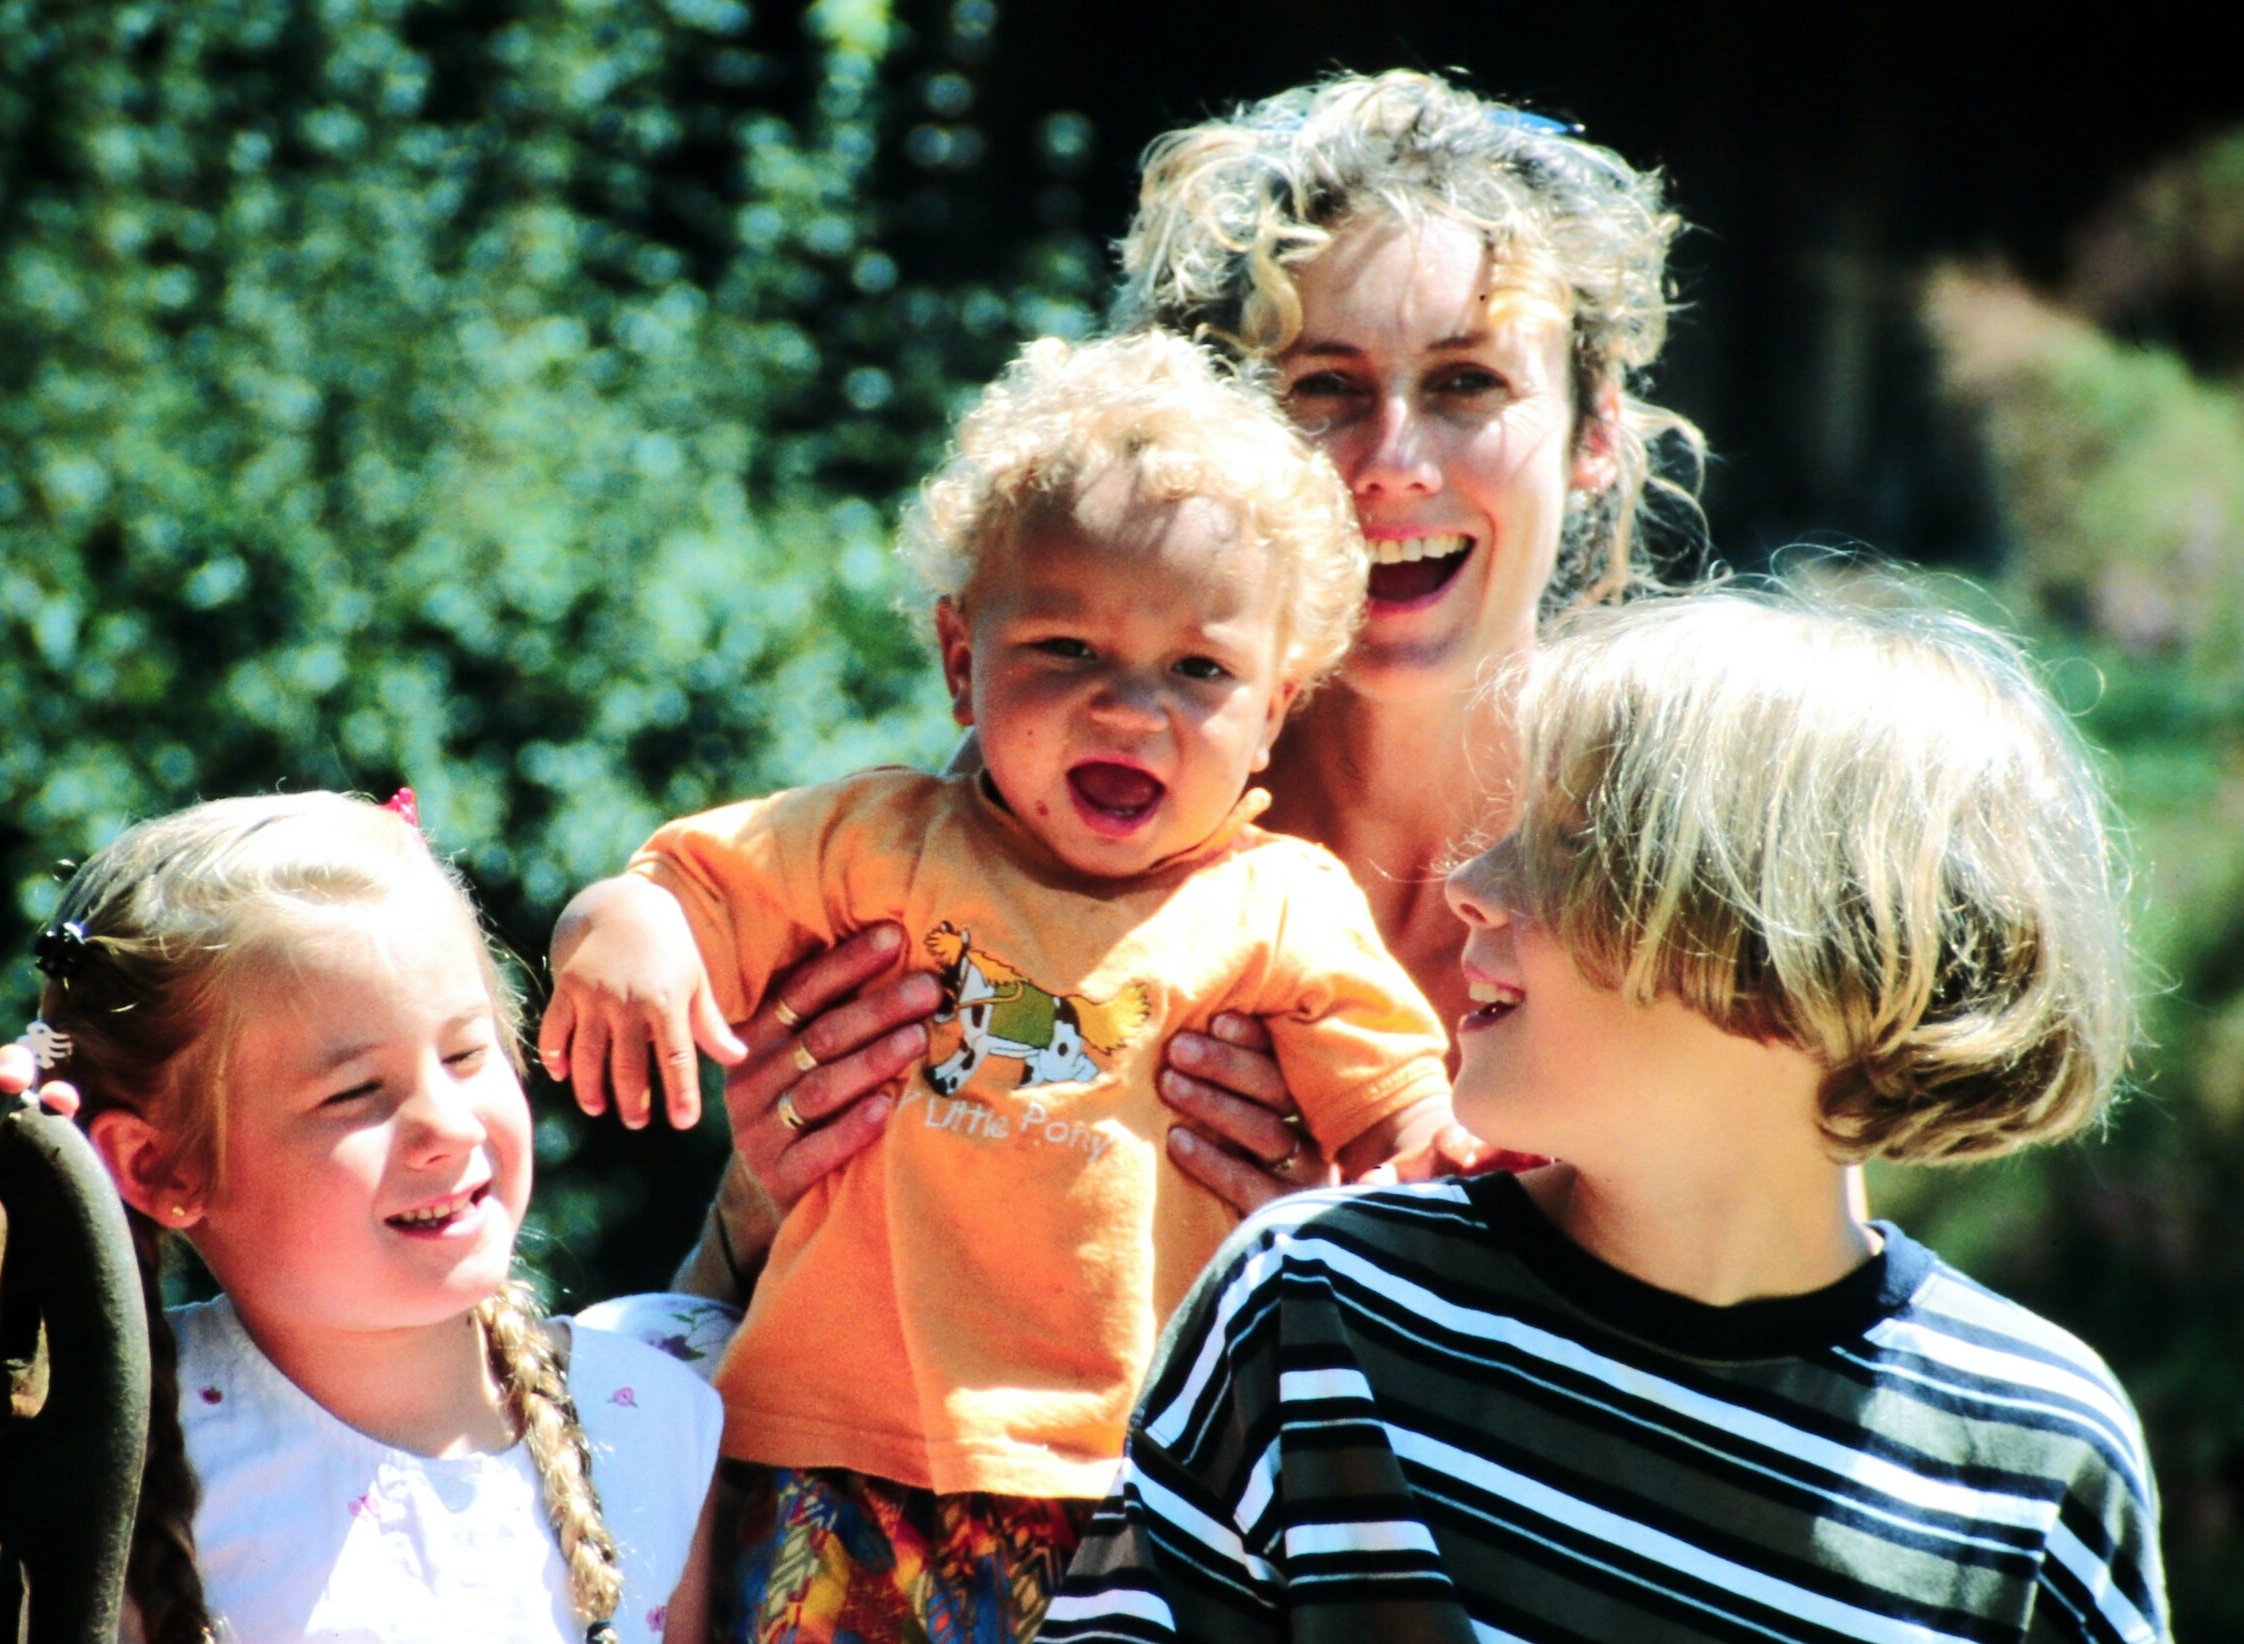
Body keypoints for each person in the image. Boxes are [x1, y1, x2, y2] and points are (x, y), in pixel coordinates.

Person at [670, 67, 1705, 1297]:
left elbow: (1775, 1365)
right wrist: (759, 1196)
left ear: (1596, 435)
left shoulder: (1683, 873)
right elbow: (731, 1327)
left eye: (1466, 384)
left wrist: (1356, 1284)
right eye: (1321, 388)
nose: (1388, 462)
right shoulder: (1036, 818)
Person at [539, 330, 1459, 1643]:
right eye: (1065, 648)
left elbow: (1397, 1118)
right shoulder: (879, 842)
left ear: (1277, 706)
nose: (1128, 710)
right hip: (832, 1459)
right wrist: (618, 923)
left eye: (1200, 671)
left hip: (1142, 1488)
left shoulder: (1279, 906)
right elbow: (683, 885)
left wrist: (1438, 1160)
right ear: (959, 658)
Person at [1036, 581, 2170, 1642]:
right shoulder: (1311, 1312)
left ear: (1803, 951)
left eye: (1574, 843)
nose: (1472, 881)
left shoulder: (2037, 1456)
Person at [0, 791, 723, 1644]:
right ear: (161, 1167)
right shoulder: (94, 1445)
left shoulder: (660, 1417)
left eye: (464, 1054)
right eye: (354, 1094)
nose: (446, 1125)